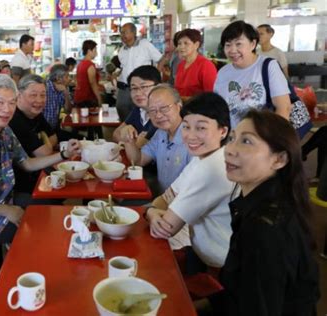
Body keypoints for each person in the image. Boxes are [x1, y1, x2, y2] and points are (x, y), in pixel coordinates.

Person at [199, 110, 320, 315]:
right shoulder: (265, 202)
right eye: (232, 138)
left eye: (246, 141)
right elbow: (240, 291)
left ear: (279, 160)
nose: (229, 150)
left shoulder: (265, 228)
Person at [0, 74, 80, 245]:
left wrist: (63, 155)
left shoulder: (5, 130)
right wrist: (5, 210)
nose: (7, 109)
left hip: (8, 200)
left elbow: (27, 163)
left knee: (53, 212)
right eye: (0, 102)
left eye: (12, 102)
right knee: (40, 233)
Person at [144, 92, 235, 273]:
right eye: (186, 127)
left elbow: (166, 228)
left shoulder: (212, 168)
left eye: (201, 128)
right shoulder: (203, 158)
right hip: (202, 250)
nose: (190, 136)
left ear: (223, 131)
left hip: (218, 265)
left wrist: (150, 211)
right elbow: (165, 197)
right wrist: (153, 211)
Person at [9, 74, 79, 207]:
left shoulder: (34, 113)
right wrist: (46, 141)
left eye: (43, 95)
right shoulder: (15, 120)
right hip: (22, 183)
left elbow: (54, 137)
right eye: (33, 95)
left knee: (71, 178)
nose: (39, 100)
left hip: (37, 170)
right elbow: (45, 153)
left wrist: (44, 139)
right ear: (19, 95)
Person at [214, 21, 291, 128]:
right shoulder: (223, 72)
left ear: (253, 44)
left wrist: (273, 140)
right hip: (233, 138)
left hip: (261, 137)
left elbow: (284, 108)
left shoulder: (268, 66)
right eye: (228, 45)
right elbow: (218, 108)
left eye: (238, 44)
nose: (232, 50)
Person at [124, 84, 191, 196]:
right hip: (161, 201)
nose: (158, 115)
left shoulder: (192, 139)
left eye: (164, 108)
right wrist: (129, 139)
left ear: (179, 106)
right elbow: (138, 161)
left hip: (183, 208)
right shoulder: (160, 133)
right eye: (152, 111)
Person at [116, 23, 164, 121]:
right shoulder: (121, 50)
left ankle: (141, 134)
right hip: (124, 88)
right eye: (121, 33)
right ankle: (127, 132)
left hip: (141, 87)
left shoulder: (145, 44)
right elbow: (124, 67)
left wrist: (155, 75)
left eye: (125, 32)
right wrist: (116, 73)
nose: (122, 35)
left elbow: (161, 59)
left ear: (133, 33)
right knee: (121, 110)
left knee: (142, 111)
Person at [113, 65, 160, 147]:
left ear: (159, 87)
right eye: (134, 88)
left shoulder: (162, 115)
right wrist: (134, 143)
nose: (138, 93)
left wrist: (130, 142)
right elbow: (116, 134)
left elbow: (146, 147)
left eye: (144, 87)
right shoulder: (139, 110)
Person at [174, 28, 217, 100]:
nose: (181, 47)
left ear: (196, 45)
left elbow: (211, 96)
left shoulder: (206, 65)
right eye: (179, 43)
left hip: (198, 109)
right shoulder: (180, 65)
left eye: (186, 43)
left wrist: (185, 99)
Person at [43, 64, 72, 132]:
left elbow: (68, 111)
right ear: (58, 78)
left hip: (54, 129)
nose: (70, 79)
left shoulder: (63, 89)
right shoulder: (45, 88)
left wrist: (66, 94)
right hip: (42, 130)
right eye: (67, 76)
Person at [74, 40, 102, 108]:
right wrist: (99, 99)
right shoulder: (90, 65)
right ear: (89, 51)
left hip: (78, 97)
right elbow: (93, 84)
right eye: (95, 50)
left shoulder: (80, 64)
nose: (96, 53)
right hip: (88, 99)